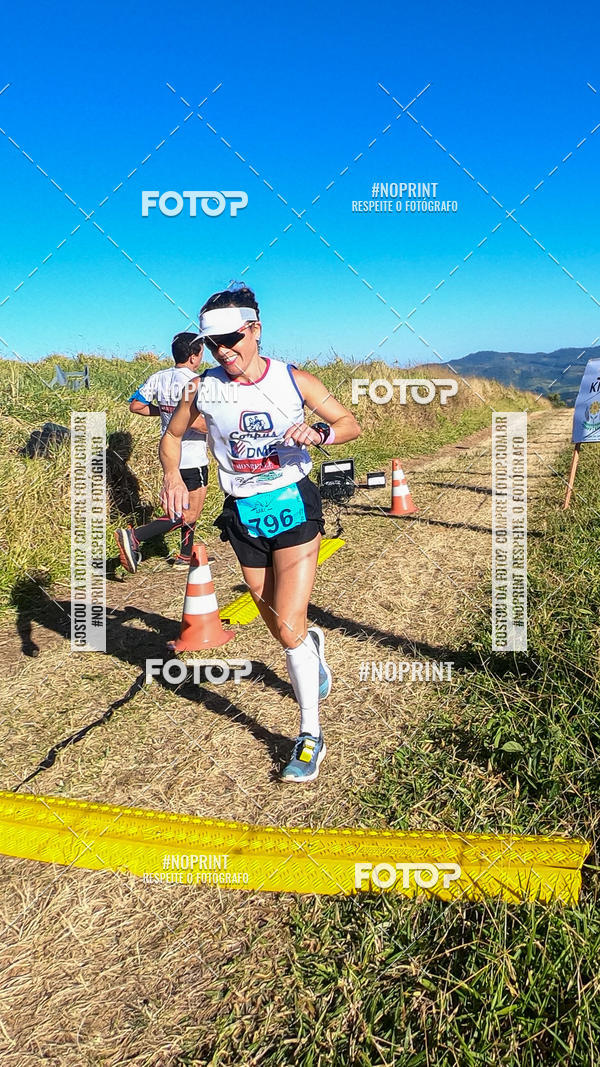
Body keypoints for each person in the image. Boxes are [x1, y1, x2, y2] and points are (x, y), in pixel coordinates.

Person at [159, 285, 361, 783]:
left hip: (293, 503)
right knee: (277, 621)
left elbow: (348, 422)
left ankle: (310, 734)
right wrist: (171, 478)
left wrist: (319, 434)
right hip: (242, 511)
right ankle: (309, 646)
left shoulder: (294, 379)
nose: (223, 351)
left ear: (255, 329)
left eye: (231, 339)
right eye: (212, 344)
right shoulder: (203, 388)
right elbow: (170, 436)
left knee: (287, 624)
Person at [115, 332, 210, 572]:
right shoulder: (197, 381)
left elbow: (136, 406)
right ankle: (135, 536)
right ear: (193, 355)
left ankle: (184, 556)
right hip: (192, 455)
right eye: (201, 352)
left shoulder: (158, 377)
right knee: (189, 513)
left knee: (182, 507)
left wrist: (167, 414)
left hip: (169, 456)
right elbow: (198, 424)